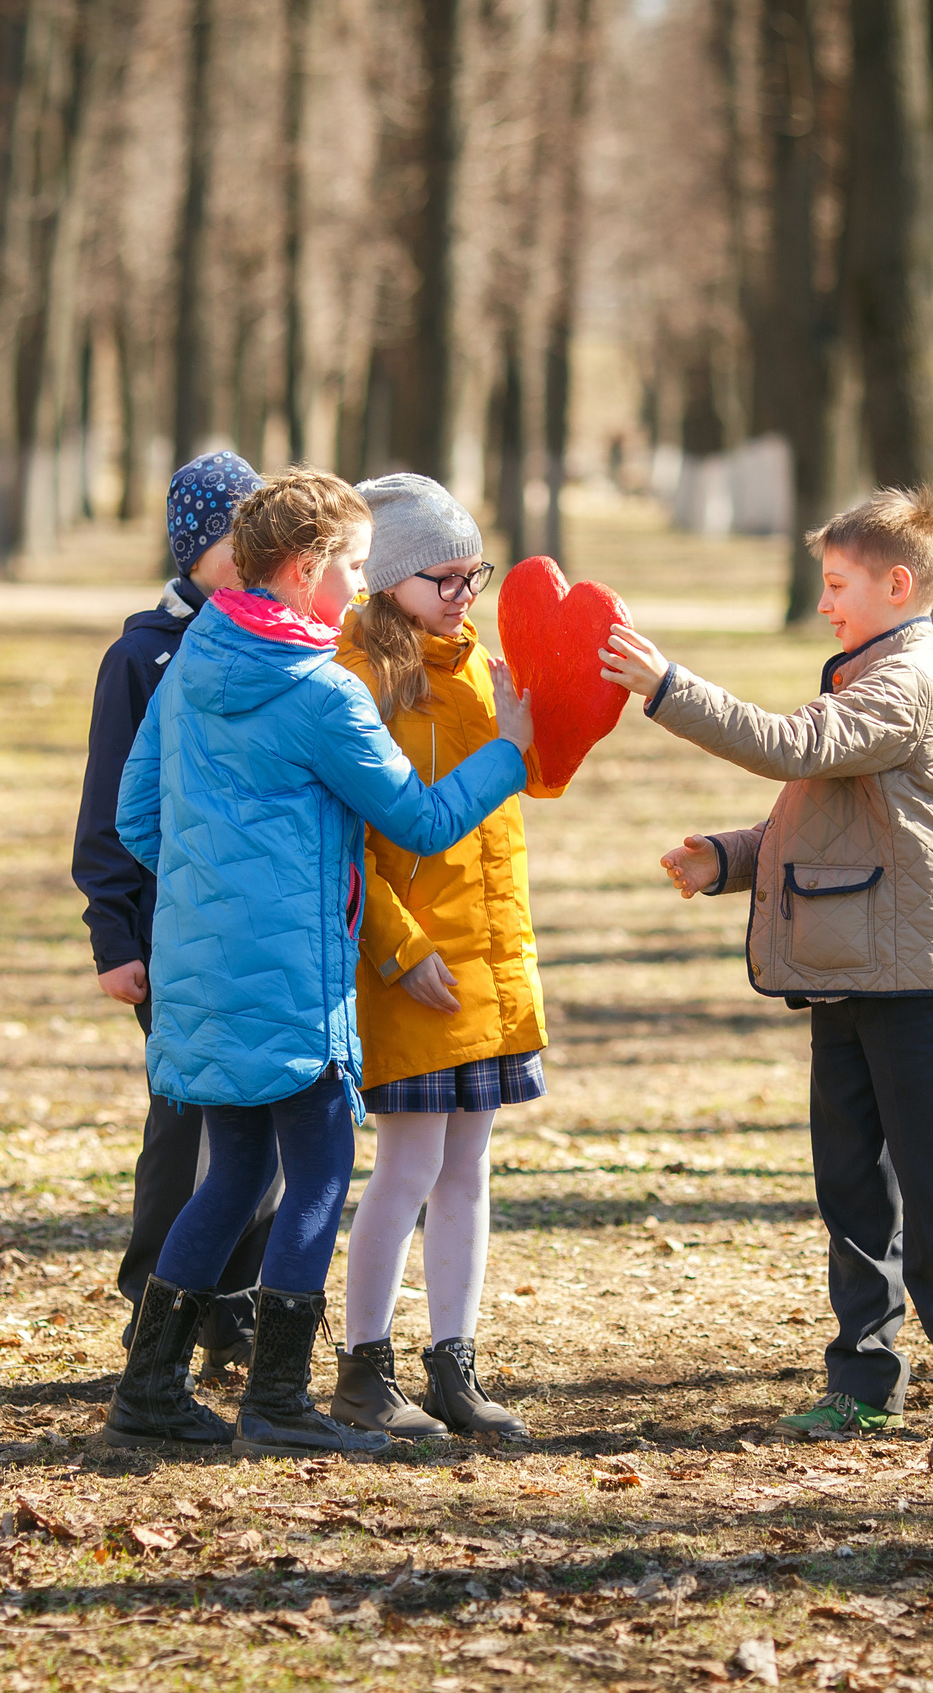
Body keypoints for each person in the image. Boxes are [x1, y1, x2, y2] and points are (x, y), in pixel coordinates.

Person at [106, 467, 536, 1456]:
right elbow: (420, 819)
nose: (360, 584)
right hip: (293, 977)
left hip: (203, 968)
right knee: (316, 1174)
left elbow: (137, 817)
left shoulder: (197, 656)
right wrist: (509, 752)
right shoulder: (322, 693)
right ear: (304, 570)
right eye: (353, 565)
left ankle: (150, 1388)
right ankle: (279, 1400)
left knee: (233, 1173)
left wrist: (215, 896)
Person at [596, 486, 933, 1450]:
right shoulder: (862, 678)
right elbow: (816, 817)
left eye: (837, 584)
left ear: (897, 585)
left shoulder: (907, 683)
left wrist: (666, 687)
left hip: (916, 980)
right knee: (853, 1191)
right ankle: (863, 1383)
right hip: (850, 968)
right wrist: (728, 859)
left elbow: (791, 747)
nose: (824, 601)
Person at [327, 476, 538, 1441]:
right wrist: (399, 949)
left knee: (469, 1163)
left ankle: (455, 1361)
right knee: (407, 1164)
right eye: (442, 578)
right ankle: (363, 1363)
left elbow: (516, 792)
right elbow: (350, 847)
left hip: (488, 954)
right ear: (389, 579)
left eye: (472, 574)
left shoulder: (482, 666)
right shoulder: (356, 678)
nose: (463, 594)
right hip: (411, 962)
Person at [71, 451, 278, 1377]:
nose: (260, 555)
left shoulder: (281, 643)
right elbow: (108, 813)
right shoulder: (142, 657)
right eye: (242, 539)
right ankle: (154, 1303)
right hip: (171, 937)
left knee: (269, 1124)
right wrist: (114, 936)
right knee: (187, 1123)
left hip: (259, 932)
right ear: (199, 547)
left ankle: (233, 1302)